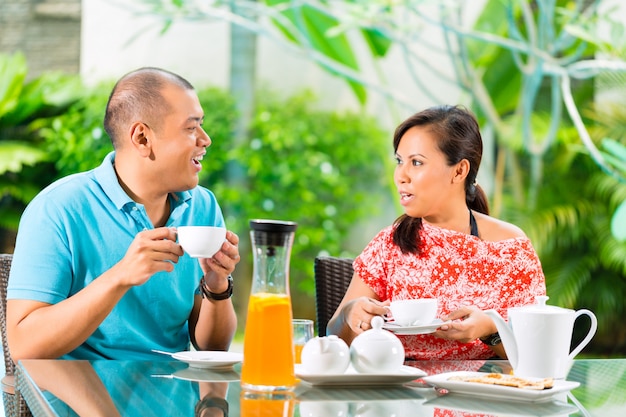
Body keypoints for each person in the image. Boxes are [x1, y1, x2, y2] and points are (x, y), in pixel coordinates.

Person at [7, 67, 239, 361]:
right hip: (80, 398)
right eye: (191, 128)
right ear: (142, 138)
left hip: (171, 396)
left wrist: (217, 286)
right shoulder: (58, 208)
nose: (205, 140)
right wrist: (120, 276)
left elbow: (212, 349)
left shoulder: (201, 207)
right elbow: (23, 345)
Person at [327, 105, 546, 360]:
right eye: (400, 161)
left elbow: (537, 353)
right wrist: (349, 314)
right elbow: (332, 338)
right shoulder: (389, 243)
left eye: (416, 162)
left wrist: (490, 330)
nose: (401, 175)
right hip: (397, 392)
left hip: (480, 393)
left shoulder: (510, 249)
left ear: (459, 171)